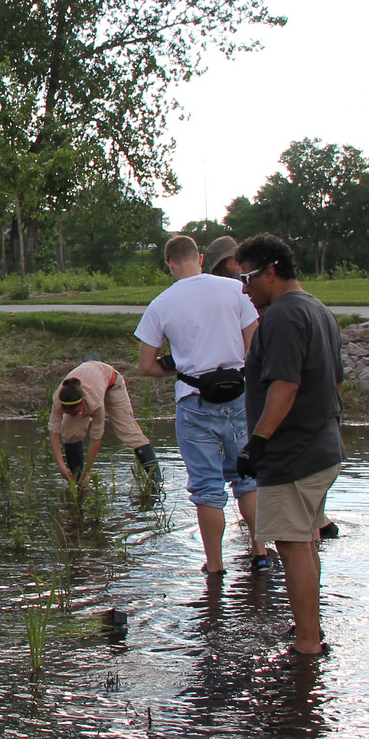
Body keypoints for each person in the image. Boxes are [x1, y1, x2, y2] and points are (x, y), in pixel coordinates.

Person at [234, 233, 346, 659]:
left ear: (271, 272)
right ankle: (309, 631)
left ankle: (306, 643)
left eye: (247, 278)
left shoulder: (282, 317)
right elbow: (335, 383)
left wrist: (257, 443)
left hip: (293, 454)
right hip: (321, 447)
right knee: (306, 541)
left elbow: (285, 385)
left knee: (294, 545)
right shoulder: (318, 309)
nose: (244, 288)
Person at [135, 234, 262, 576]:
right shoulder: (235, 290)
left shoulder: (161, 303)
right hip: (239, 396)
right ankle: (260, 551)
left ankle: (216, 565)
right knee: (247, 478)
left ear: (169, 265)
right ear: (201, 258)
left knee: (207, 487)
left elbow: (146, 366)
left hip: (194, 401)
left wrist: (184, 360)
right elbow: (254, 347)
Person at [48, 359, 160, 486]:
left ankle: (156, 481)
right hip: (87, 378)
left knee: (128, 431)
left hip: (112, 383)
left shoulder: (95, 404)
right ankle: (77, 482)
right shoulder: (58, 399)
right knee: (70, 434)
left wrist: (87, 471)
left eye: (76, 412)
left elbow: (96, 439)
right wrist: (62, 466)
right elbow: (54, 433)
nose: (73, 415)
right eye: (68, 412)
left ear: (83, 402)